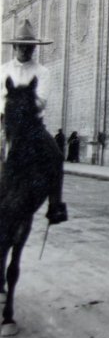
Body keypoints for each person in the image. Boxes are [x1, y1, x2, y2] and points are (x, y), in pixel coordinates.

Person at [1, 19, 68, 224]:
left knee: (55, 156)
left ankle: (55, 206)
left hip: (33, 127)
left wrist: (19, 102)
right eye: (21, 46)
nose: (25, 50)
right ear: (14, 47)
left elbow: (41, 101)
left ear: (34, 49)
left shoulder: (42, 72)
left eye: (29, 47)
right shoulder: (3, 70)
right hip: (6, 124)